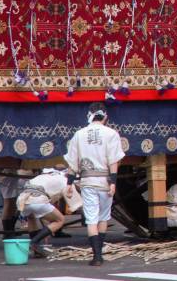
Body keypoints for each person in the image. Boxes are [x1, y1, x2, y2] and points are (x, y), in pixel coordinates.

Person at [64, 103, 124, 266]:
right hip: (105, 181)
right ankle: (100, 252)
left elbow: (72, 161)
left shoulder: (79, 134)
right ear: (105, 116)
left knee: (91, 219)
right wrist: (113, 182)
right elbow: (113, 161)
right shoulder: (111, 133)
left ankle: (96, 256)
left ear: (89, 115)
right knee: (103, 217)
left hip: (88, 180)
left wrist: (69, 182)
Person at [16, 166, 78, 258]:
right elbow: (75, 204)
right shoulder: (66, 181)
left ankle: (35, 248)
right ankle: (34, 242)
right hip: (38, 200)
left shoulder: (41, 176)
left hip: (22, 200)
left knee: (31, 217)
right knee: (60, 220)